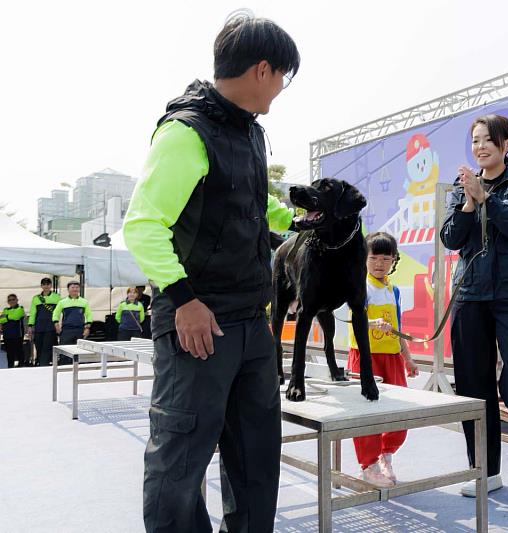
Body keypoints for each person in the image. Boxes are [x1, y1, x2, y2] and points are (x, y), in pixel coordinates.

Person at [123, 13, 299, 533]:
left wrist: (298, 219)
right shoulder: (185, 132)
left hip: (251, 322)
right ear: (262, 70)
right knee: (180, 461)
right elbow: (143, 225)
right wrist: (184, 300)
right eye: (283, 76)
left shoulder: (250, 134)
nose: (282, 88)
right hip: (198, 322)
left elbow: (249, 203)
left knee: (256, 459)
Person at [440, 114, 508, 497]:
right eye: (475, 141)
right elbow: (451, 238)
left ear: (507, 143)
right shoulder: (462, 187)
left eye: (487, 139)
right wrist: (469, 204)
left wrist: (487, 198)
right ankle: (484, 471)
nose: (480, 147)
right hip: (471, 294)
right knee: (472, 383)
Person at [347, 232, 419, 487]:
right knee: (367, 413)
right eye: (374, 257)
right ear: (364, 258)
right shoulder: (359, 286)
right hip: (365, 358)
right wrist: (370, 322)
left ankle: (386, 455)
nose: (379, 263)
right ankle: (368, 466)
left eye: (386, 259)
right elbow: (350, 320)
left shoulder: (394, 290)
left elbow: (398, 328)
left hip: (392, 358)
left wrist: (407, 359)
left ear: (394, 260)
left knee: (400, 412)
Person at [27, 278, 61, 366]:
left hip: (50, 327)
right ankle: (40, 363)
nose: (46, 286)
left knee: (47, 347)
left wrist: (58, 324)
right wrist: (30, 326)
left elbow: (59, 312)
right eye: (44, 284)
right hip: (38, 327)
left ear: (51, 285)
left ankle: (43, 365)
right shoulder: (36, 298)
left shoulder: (57, 297)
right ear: (41, 286)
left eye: (48, 284)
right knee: (38, 346)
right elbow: (32, 313)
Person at [52, 281, 92, 346]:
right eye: (72, 287)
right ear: (68, 289)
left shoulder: (84, 302)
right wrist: (56, 325)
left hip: (80, 330)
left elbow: (89, 315)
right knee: (65, 350)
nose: (75, 289)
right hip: (66, 330)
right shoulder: (62, 302)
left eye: (77, 287)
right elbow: (55, 314)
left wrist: (87, 328)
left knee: (79, 350)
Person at [0, 294, 26, 368]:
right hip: (7, 335)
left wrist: (6, 317)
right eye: (9, 300)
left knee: (19, 352)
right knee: (9, 353)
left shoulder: (20, 308)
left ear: (17, 300)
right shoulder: (5, 309)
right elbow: (1, 319)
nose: (11, 301)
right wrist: (9, 318)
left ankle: (21, 366)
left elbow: (16, 316)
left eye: (13, 299)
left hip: (17, 335)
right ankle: (10, 367)